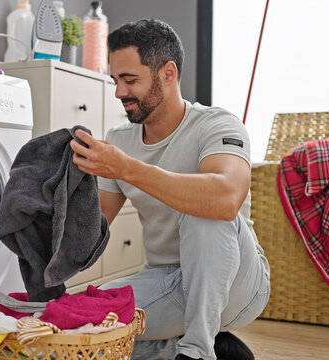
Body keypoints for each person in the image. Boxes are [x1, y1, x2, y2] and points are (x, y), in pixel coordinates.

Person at [69, 19, 270, 360]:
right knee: (78, 323)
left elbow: (225, 201)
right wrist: (56, 203)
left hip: (235, 284)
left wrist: (127, 168)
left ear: (168, 73)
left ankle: (197, 351)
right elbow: (92, 231)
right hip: (166, 282)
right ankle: (201, 350)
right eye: (115, 80)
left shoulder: (217, 124)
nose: (119, 92)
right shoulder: (121, 141)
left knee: (203, 210)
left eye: (130, 80)